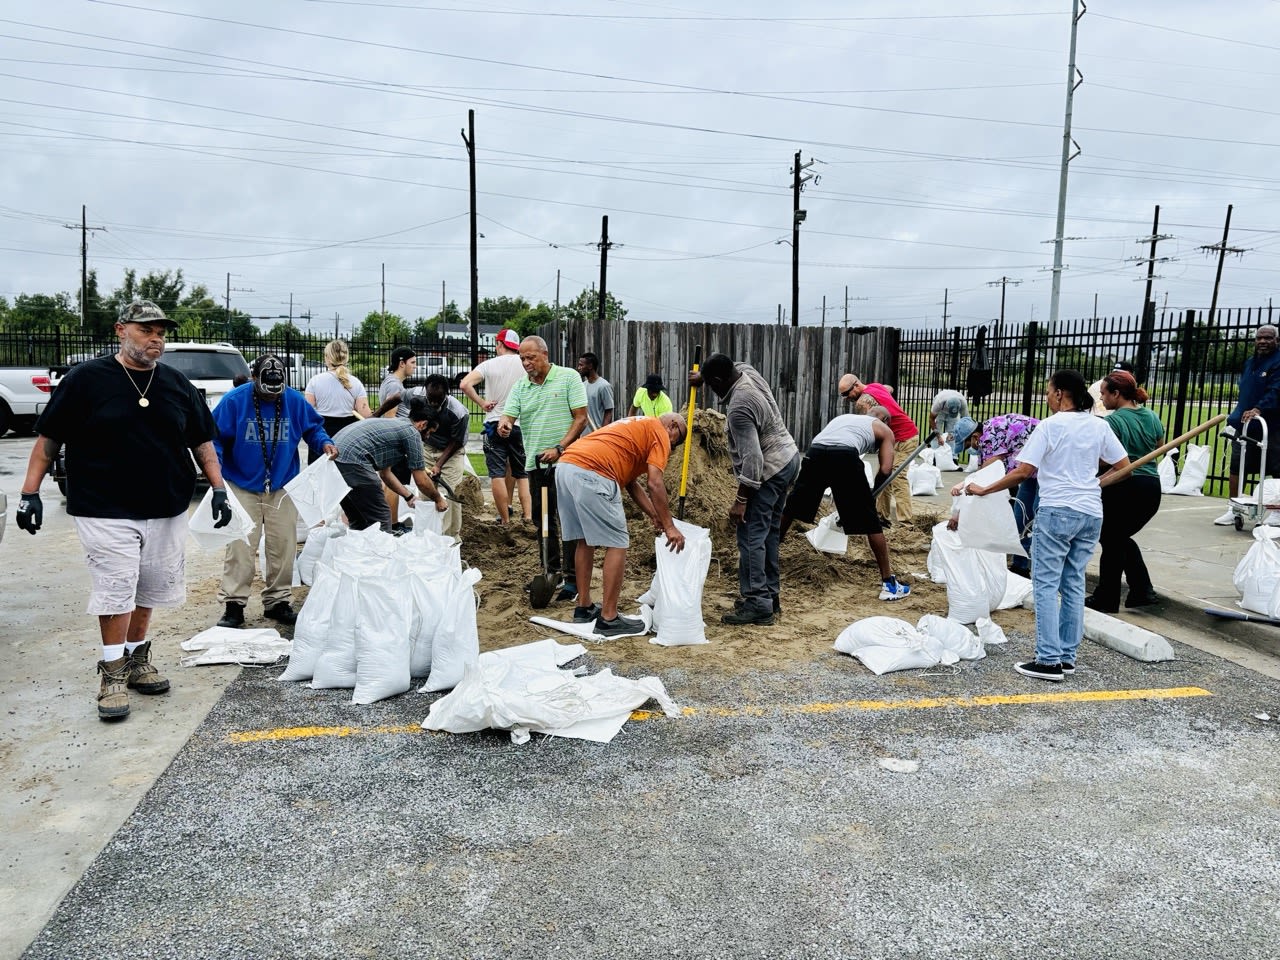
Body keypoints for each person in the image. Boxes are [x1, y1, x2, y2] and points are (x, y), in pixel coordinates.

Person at [15, 299, 231, 722]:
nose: (156, 338)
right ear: (121, 330)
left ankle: (136, 658)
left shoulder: (176, 383)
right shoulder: (85, 380)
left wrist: (219, 489)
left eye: (161, 332)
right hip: (103, 506)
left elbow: (202, 442)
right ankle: (112, 671)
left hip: (166, 505)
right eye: (146, 330)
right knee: (116, 586)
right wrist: (30, 492)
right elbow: (49, 440)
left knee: (149, 585)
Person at [963, 370, 1129, 683]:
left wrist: (984, 489)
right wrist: (1092, 484)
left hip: (1057, 512)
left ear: (1060, 394)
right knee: (1074, 583)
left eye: (1048, 391)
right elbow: (1124, 467)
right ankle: (1067, 657)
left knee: (1046, 583)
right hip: (1091, 513)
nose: (1046, 396)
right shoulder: (1099, 426)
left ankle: (1049, 661)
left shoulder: (1050, 427)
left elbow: (1023, 472)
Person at [211, 354, 338, 629]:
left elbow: (313, 428)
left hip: (282, 484)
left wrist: (325, 443)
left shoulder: (293, 400)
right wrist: (216, 472)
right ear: (254, 378)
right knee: (241, 545)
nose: (271, 397)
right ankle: (234, 605)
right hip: (242, 483)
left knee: (283, 545)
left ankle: (277, 602)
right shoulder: (234, 401)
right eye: (265, 390)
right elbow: (215, 438)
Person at [691, 353, 800, 626]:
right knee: (769, 534)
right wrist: (703, 377)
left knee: (751, 536)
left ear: (719, 380)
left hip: (770, 467)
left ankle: (756, 603)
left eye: (712, 385)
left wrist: (740, 500)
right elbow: (733, 364)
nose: (712, 391)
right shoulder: (745, 373)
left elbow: (754, 461)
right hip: (790, 458)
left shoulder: (739, 407)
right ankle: (770, 597)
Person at [556, 414, 687, 637]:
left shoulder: (636, 426)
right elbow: (655, 483)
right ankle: (609, 618)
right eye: (676, 441)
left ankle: (584, 608)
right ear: (673, 426)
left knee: (585, 540)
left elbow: (630, 483)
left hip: (566, 467)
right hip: (593, 472)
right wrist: (670, 526)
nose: (672, 448)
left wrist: (654, 514)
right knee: (617, 543)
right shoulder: (659, 432)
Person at [780, 407, 911, 601]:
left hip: (814, 452)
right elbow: (885, 468)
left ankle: (766, 557)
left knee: (791, 508)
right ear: (884, 419)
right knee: (871, 522)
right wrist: (870, 494)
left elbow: (828, 446)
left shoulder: (844, 418)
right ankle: (889, 584)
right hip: (844, 455)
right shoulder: (885, 429)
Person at [498, 335, 588, 600]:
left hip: (569, 462)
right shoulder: (521, 387)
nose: (526, 363)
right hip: (536, 464)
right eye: (522, 359)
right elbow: (509, 415)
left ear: (545, 354)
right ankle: (552, 572)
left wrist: (559, 448)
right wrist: (505, 423)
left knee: (569, 520)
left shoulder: (568, 377)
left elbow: (581, 419)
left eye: (530, 357)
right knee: (544, 521)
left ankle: (573, 580)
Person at [1087, 370, 1166, 612]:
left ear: (1116, 393)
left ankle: (1107, 598)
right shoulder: (1151, 417)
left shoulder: (1113, 421)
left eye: (1103, 394)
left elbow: (1103, 459)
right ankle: (1142, 591)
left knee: (1112, 541)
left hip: (1123, 487)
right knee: (1118, 538)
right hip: (1151, 488)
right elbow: (1159, 447)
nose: (1101, 400)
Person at [331, 396, 447, 532]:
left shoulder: (396, 425)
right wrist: (438, 499)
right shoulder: (411, 433)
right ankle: (381, 550)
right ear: (423, 425)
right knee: (381, 518)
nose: (428, 438)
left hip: (334, 460)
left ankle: (359, 551)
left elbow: (385, 474)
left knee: (359, 519)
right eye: (430, 433)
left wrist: (409, 497)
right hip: (352, 460)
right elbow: (420, 480)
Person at [949, 412, 1041, 575]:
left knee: (1037, 516)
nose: (970, 449)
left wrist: (958, 509)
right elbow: (982, 474)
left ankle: (1038, 569)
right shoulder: (988, 435)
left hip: (1046, 469)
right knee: (1022, 515)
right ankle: (1020, 566)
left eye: (968, 444)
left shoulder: (992, 435)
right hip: (1030, 470)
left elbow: (983, 478)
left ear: (976, 436)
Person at [459, 328, 531, 526]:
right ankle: (527, 517)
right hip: (519, 424)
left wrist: (482, 403)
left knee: (497, 473)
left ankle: (505, 520)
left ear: (499, 345)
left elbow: (465, 384)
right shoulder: (524, 364)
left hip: (494, 424)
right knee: (522, 473)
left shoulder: (488, 364)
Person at [1215, 324, 1280, 525]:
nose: (1263, 341)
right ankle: (1234, 508)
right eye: (1259, 338)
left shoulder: (1278, 362)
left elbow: (1276, 391)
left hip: (1272, 426)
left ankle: (1277, 512)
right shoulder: (1251, 362)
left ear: (1276, 340)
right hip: (1244, 424)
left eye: (1268, 338)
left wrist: (1259, 408)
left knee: (1277, 469)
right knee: (1237, 466)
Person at [838, 373, 920, 525]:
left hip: (905, 437)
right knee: (883, 476)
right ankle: (882, 516)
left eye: (846, 393)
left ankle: (906, 524)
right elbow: (889, 388)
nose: (846, 398)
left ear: (856, 385)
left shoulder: (863, 402)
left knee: (896, 477)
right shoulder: (875, 386)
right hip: (893, 439)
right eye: (842, 395)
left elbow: (869, 427)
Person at [374, 346, 420, 535]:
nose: (415, 367)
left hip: (395, 439)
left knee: (391, 482)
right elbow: (390, 416)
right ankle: (392, 525)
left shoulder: (391, 382)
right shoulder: (394, 385)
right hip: (396, 440)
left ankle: (389, 523)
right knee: (395, 483)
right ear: (402, 363)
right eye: (413, 363)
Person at [418, 373, 470, 539]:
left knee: (451, 492)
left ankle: (450, 538)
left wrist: (439, 464)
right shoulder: (418, 399)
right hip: (427, 447)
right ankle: (427, 534)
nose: (433, 404)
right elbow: (397, 397)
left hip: (451, 451)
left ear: (446, 395)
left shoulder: (458, 412)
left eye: (437, 400)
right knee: (425, 490)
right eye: (430, 399)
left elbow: (456, 442)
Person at [305, 339, 373, 438]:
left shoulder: (315, 381)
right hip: (348, 434)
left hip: (322, 433)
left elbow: (307, 411)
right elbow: (365, 414)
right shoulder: (356, 383)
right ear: (346, 358)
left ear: (327, 358)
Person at [577, 351, 615, 436]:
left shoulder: (604, 386)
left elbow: (609, 411)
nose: (579, 368)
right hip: (583, 436)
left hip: (597, 435)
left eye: (581, 365)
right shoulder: (583, 386)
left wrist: (602, 433)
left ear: (590, 366)